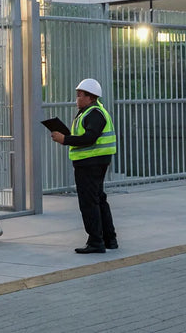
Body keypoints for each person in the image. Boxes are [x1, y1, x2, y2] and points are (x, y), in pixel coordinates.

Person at [50, 78, 118, 254]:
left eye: (80, 95)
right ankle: (109, 239)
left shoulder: (94, 113)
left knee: (89, 202)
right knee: (98, 199)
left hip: (91, 163)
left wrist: (65, 139)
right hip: (94, 162)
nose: (77, 99)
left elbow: (89, 138)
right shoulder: (89, 112)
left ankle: (96, 242)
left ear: (90, 97)